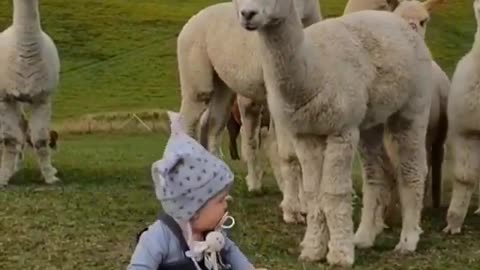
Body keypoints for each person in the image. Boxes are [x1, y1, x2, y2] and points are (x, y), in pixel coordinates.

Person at [127, 111, 263, 270]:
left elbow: (231, 252)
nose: (226, 204)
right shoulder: (159, 237)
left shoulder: (214, 234)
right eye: (220, 200)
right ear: (194, 209)